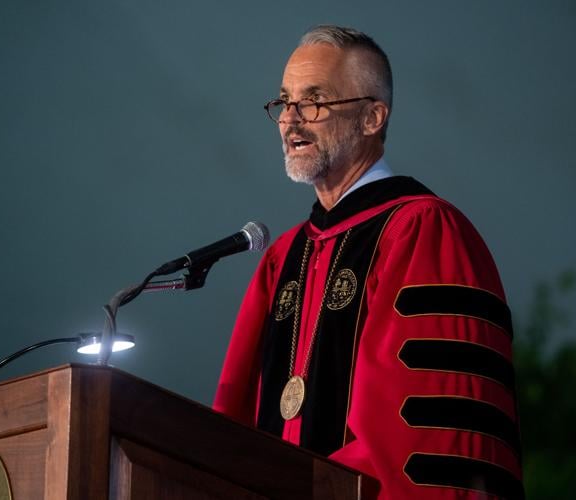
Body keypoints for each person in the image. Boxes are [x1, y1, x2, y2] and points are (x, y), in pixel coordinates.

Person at [214, 25, 524, 499]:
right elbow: (229, 429)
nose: (290, 120)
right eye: (284, 102)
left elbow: (422, 439)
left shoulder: (423, 231)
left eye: (314, 101)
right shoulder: (283, 257)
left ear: (372, 118)